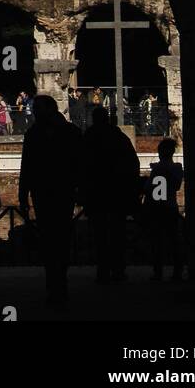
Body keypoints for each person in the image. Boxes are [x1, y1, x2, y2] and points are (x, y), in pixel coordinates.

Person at [18, 93, 82, 304]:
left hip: (53, 191)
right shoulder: (67, 132)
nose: (34, 112)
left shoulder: (39, 134)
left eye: (37, 108)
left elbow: (27, 167)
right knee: (56, 238)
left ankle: (57, 282)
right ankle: (57, 283)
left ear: (50, 109)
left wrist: (23, 195)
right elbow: (26, 166)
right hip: (56, 191)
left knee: (55, 238)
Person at [79, 106, 141, 284]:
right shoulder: (118, 137)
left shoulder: (89, 138)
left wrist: (83, 190)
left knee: (100, 235)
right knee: (117, 233)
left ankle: (103, 269)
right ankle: (118, 269)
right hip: (117, 193)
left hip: (97, 193)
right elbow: (132, 163)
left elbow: (82, 166)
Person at [144, 138, 183, 281]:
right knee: (174, 241)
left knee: (157, 241)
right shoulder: (177, 169)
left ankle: (158, 271)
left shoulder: (156, 169)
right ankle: (177, 271)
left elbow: (149, 189)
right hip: (170, 207)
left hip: (156, 208)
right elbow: (177, 186)